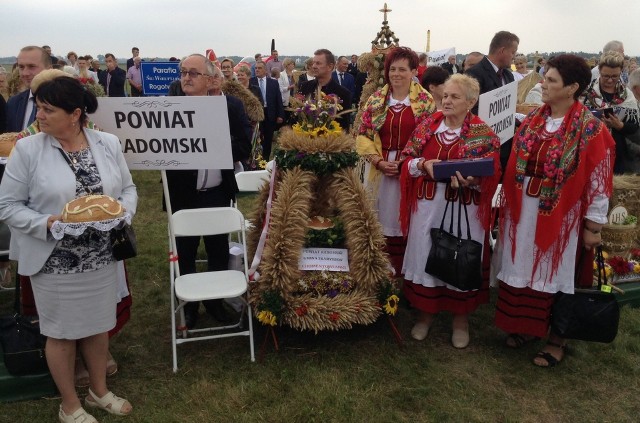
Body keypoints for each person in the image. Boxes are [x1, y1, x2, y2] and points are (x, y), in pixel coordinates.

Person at [0, 75, 136, 421]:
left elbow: (128, 189)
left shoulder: (106, 143)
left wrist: (122, 214)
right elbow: (8, 206)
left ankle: (98, 391)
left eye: (48, 110)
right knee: (61, 333)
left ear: (75, 114)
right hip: (54, 259)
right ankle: (69, 404)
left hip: (102, 255)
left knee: (98, 326)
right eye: (39, 108)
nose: (39, 117)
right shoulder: (28, 149)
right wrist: (49, 223)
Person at [494, 54, 615, 367]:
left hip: (563, 217)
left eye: (551, 80)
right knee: (523, 266)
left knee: (558, 273)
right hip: (524, 211)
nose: (543, 84)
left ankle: (557, 338)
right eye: (545, 77)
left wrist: (594, 225)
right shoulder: (535, 119)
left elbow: (599, 181)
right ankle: (527, 326)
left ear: (572, 87)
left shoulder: (591, 129)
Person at [398, 74, 501, 349]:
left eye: (455, 97)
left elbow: (491, 174)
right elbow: (406, 161)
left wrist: (474, 181)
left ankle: (460, 320)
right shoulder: (427, 127)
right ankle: (425, 315)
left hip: (465, 208)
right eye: (445, 96)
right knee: (426, 255)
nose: (447, 101)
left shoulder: (483, 133)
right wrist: (423, 165)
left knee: (460, 256)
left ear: (471, 102)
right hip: (428, 205)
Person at [165, 54, 251, 329]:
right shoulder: (169, 109)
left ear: (210, 79)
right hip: (183, 193)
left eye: (193, 73)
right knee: (185, 250)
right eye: (183, 72)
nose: (186, 78)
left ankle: (215, 300)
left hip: (217, 192)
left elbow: (243, 148)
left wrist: (214, 145)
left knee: (217, 249)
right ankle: (189, 306)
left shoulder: (231, 107)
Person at [356, 47, 436, 276]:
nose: (396, 74)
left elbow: (430, 137)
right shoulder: (376, 101)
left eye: (402, 69)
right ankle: (380, 273)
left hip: (411, 168)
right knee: (379, 219)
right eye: (392, 69)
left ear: (413, 72)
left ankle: (407, 273)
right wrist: (378, 161)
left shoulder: (425, 102)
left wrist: (406, 163)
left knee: (409, 219)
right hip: (380, 168)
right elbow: (363, 135)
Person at [466, 30, 519, 171]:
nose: (514, 57)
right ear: (502, 50)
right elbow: (469, 108)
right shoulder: (474, 73)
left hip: (505, 145)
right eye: (513, 52)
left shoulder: (508, 75)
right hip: (483, 146)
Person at [580, 51, 639, 174]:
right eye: (606, 76)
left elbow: (634, 127)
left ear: (621, 72)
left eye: (615, 76)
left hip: (619, 155)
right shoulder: (586, 93)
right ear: (599, 71)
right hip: (591, 151)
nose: (610, 80)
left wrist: (620, 126)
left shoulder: (627, 96)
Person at [300, 49, 353, 130]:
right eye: (313, 63)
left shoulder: (343, 93)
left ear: (330, 66)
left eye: (318, 63)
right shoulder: (305, 87)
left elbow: (344, 128)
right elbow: (297, 118)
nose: (313, 66)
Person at [6, 46, 52, 132]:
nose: (25, 73)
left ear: (49, 69)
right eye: (21, 67)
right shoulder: (13, 103)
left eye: (32, 66)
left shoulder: (65, 103)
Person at [250, 61, 284, 160]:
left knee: (268, 138)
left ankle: (265, 159)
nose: (257, 70)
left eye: (259, 68)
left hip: (270, 113)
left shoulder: (273, 82)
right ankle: (256, 159)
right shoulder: (251, 82)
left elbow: (278, 99)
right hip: (256, 114)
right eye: (256, 68)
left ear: (265, 70)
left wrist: (280, 115)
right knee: (257, 137)